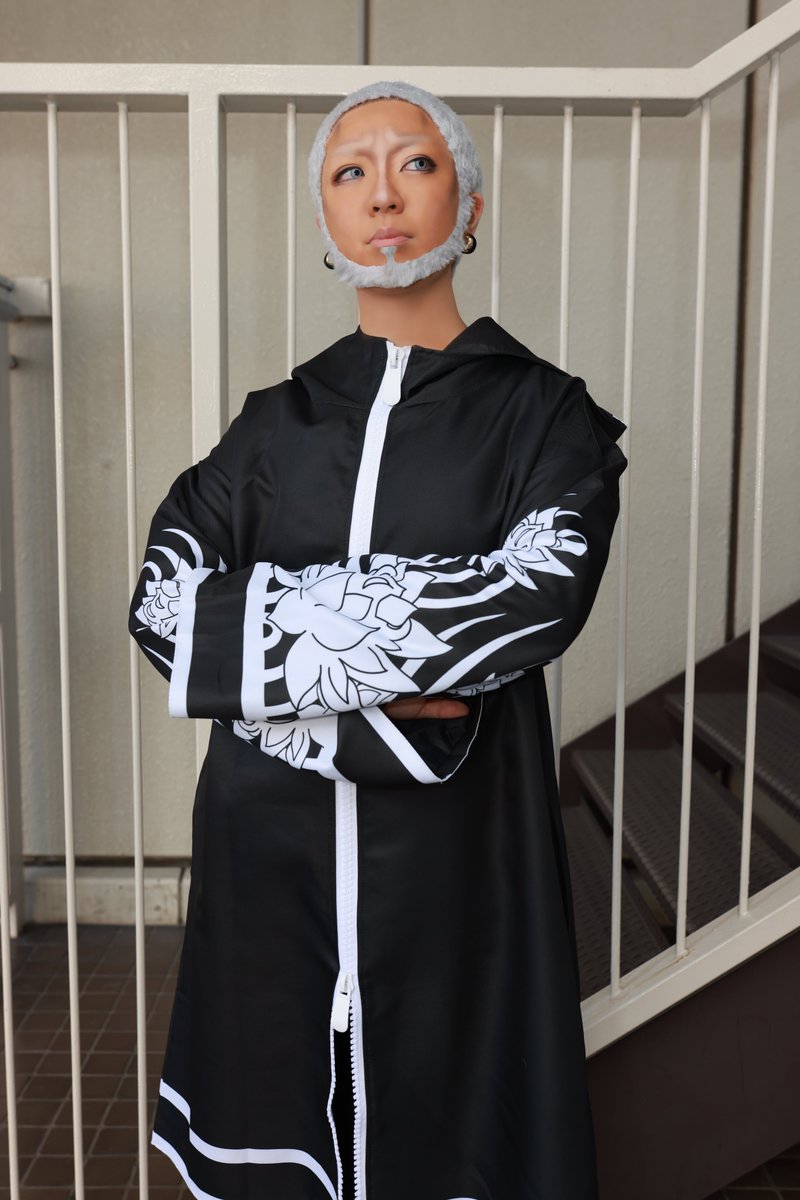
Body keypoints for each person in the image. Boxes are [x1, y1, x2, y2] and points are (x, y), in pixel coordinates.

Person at [129, 79, 628, 1200]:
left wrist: (270, 653)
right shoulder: (271, 424)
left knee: (449, 1140)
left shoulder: (544, 415)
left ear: (470, 205)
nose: (382, 194)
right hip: (268, 862)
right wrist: (364, 688)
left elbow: (535, 596)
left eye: (415, 162)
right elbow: (162, 605)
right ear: (326, 220)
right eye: (349, 172)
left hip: (458, 864)